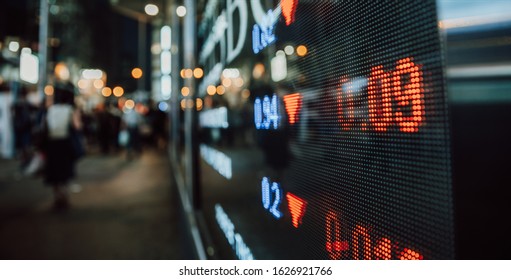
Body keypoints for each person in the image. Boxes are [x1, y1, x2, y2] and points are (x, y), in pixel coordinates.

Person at [44, 85, 82, 210]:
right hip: (65, 144)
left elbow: (45, 126)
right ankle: (64, 198)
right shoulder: (70, 110)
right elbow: (77, 126)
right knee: (65, 172)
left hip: (51, 144)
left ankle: (56, 198)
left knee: (54, 172)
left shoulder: (50, 109)